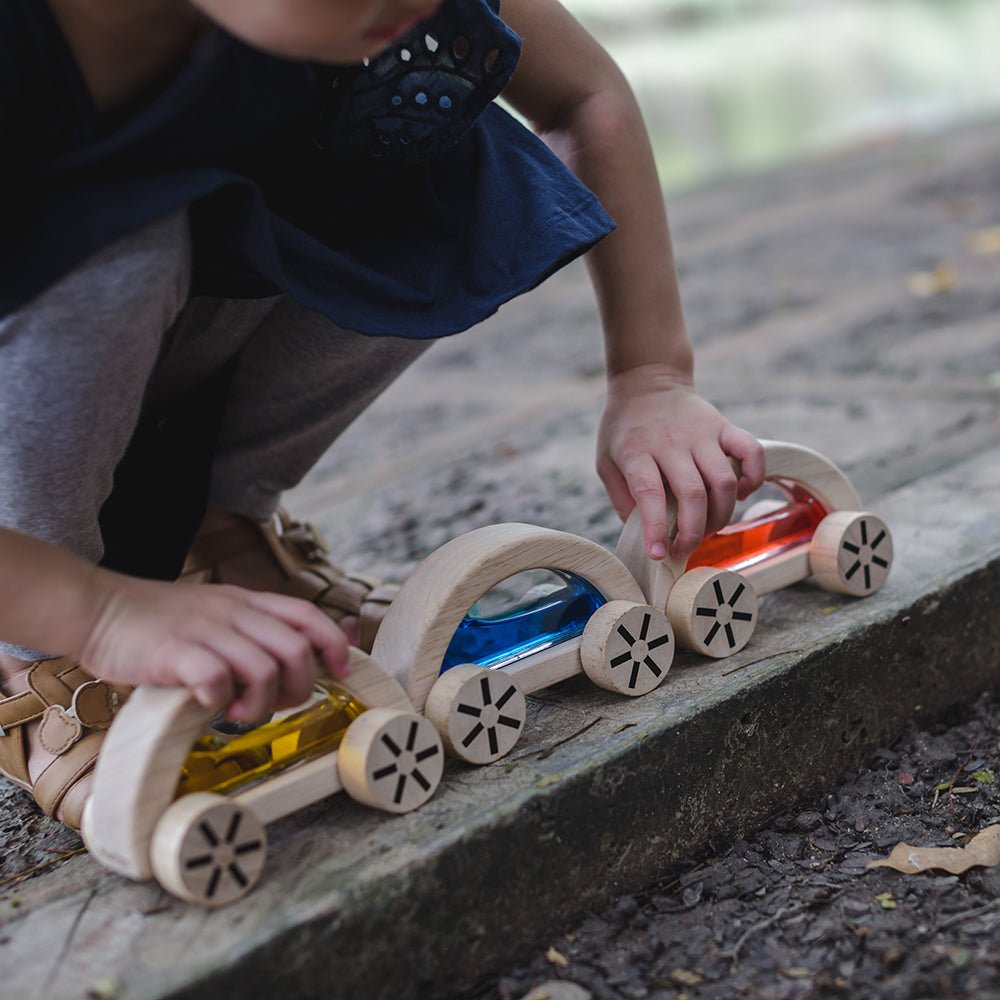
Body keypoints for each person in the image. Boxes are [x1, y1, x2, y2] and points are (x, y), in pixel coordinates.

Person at [0, 0, 765, 829]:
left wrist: (652, 376)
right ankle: (34, 665)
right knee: (115, 246)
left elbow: (584, 94)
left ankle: (217, 535)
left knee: (426, 136)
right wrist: (99, 614)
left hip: (158, 357)